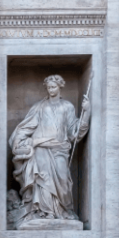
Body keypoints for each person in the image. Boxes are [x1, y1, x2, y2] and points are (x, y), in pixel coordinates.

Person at [9, 74, 90, 222]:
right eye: (48, 87)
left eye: (54, 87)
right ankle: (44, 213)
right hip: (41, 149)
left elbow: (74, 132)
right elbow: (26, 127)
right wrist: (21, 140)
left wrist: (86, 113)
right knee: (43, 180)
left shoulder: (67, 106)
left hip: (60, 149)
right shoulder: (39, 107)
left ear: (60, 87)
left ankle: (62, 211)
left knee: (63, 181)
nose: (51, 90)